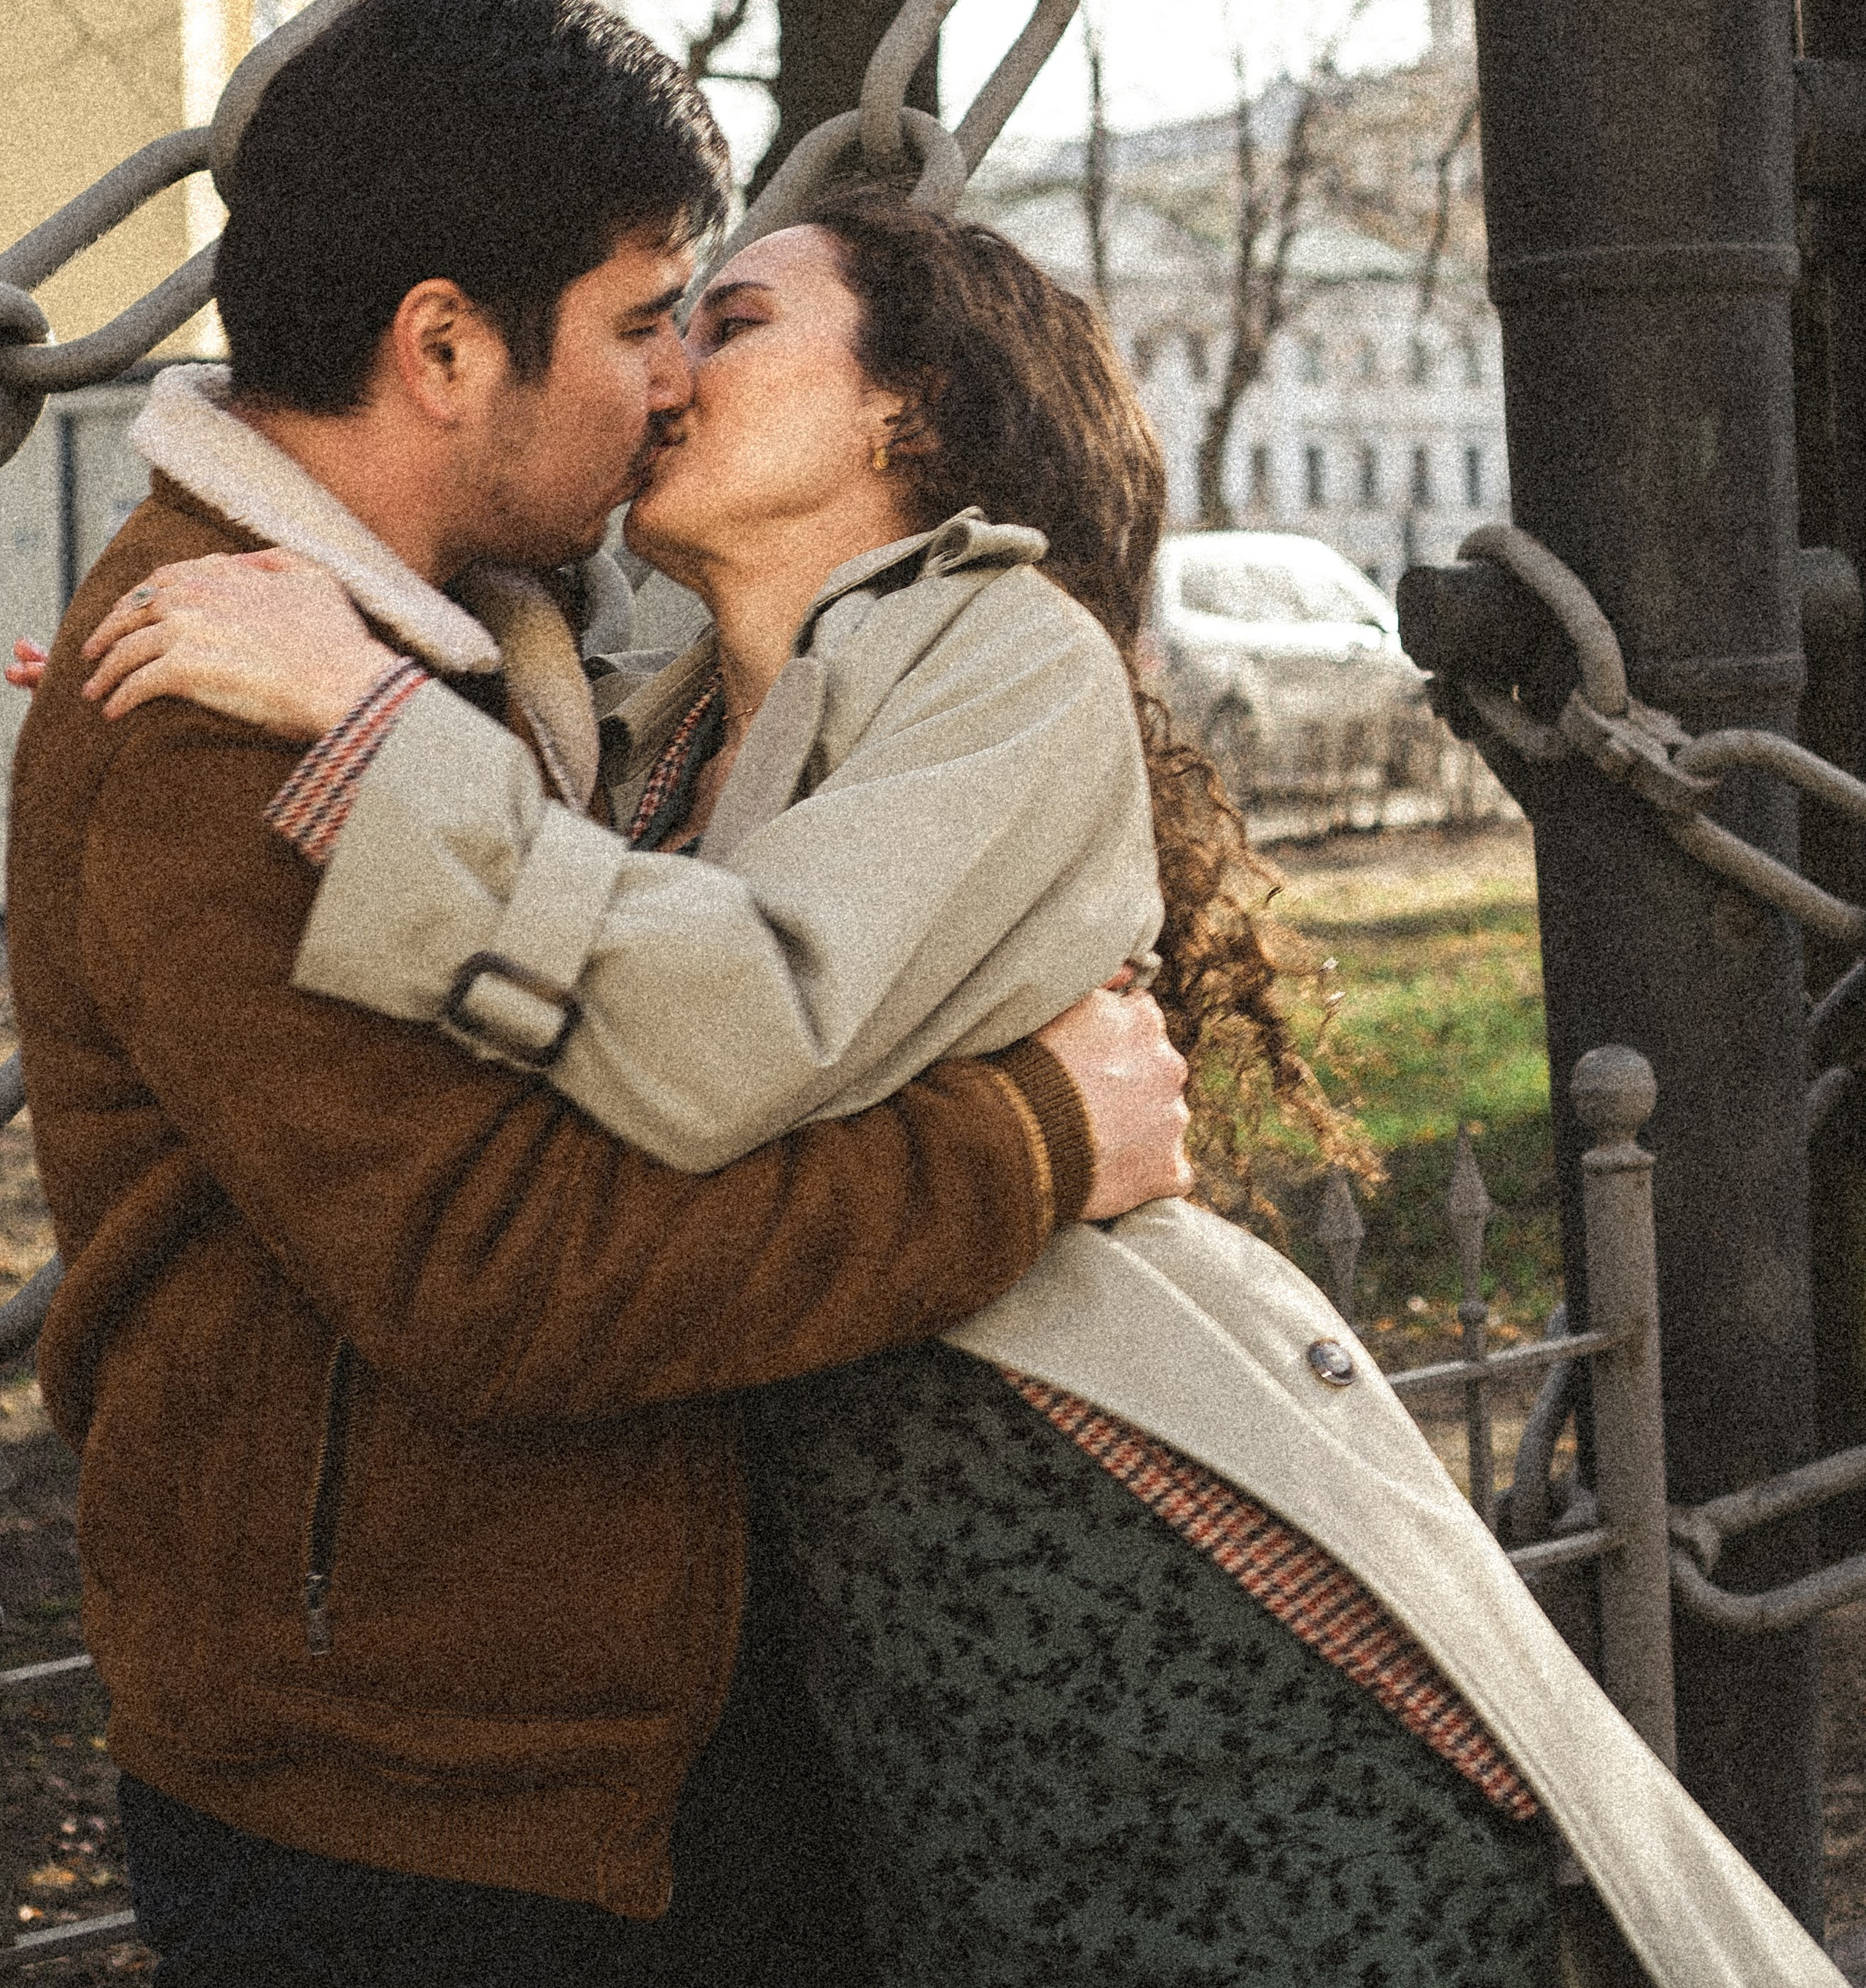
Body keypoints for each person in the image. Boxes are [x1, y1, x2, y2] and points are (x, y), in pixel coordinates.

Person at [59, 192, 1847, 1987]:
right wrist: (253, 694)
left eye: (734, 323)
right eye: (663, 324)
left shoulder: (1008, 656)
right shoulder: (651, 708)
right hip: (871, 1635)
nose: (671, 368)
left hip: (1110, 1573)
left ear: (906, 409)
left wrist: (367, 734)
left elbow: (736, 1022)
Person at [1, 0, 1191, 1988]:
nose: (667, 379)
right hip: (405, 1818)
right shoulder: (230, 715)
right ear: (448, 347)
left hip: (559, 1749)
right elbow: (516, 1270)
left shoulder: (491, 656)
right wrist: (1028, 1145)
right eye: (652, 316)